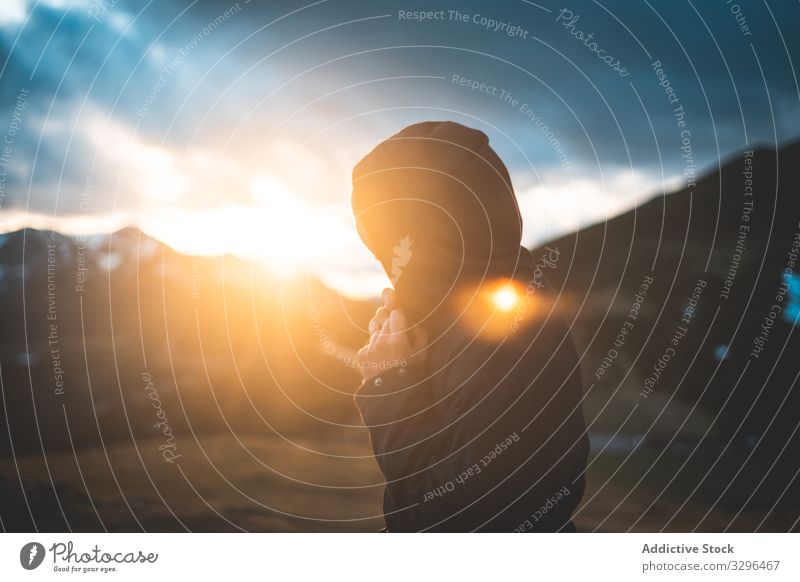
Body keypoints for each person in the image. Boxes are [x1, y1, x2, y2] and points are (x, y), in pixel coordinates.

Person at [351, 121, 588, 532]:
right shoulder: (471, 307)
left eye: (383, 233)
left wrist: (388, 383)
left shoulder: (504, 330)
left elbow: (463, 515)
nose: (379, 253)